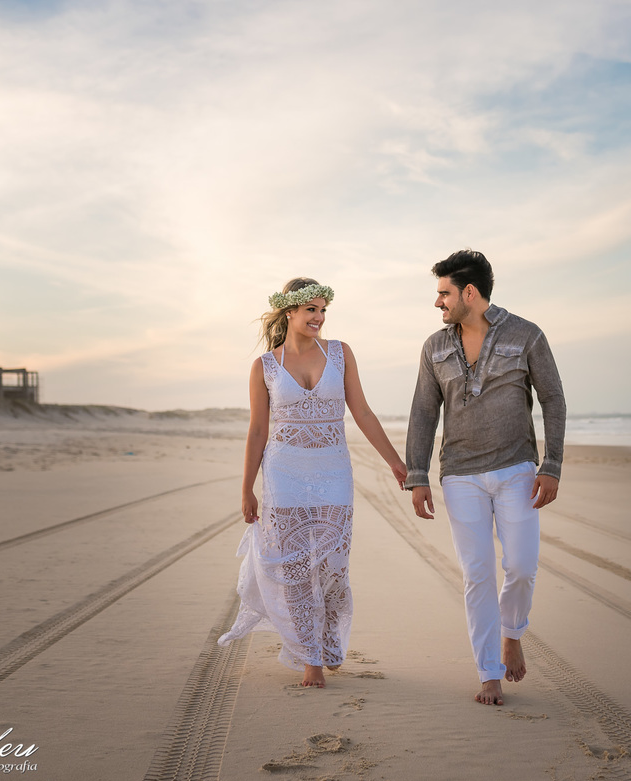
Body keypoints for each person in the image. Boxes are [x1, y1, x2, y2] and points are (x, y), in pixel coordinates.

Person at [219, 278, 407, 689]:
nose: (319, 318)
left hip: (334, 472)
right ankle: (311, 659)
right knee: (296, 570)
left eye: (323, 311)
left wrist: (395, 462)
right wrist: (247, 487)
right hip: (284, 476)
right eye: (311, 311)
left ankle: (329, 643)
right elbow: (256, 431)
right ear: (290, 312)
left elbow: (363, 412)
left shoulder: (340, 354)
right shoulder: (265, 366)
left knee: (333, 567)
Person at [404, 250, 566, 706]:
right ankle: (488, 673)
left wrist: (551, 465)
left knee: (521, 566)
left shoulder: (526, 335)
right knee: (477, 575)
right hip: (460, 476)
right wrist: (418, 475)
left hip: (517, 469)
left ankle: (511, 632)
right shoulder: (434, 347)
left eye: (443, 293)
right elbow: (422, 411)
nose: (438, 303)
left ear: (469, 293)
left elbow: (553, 398)